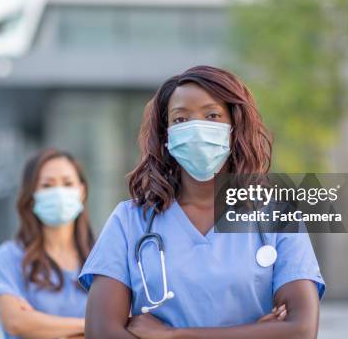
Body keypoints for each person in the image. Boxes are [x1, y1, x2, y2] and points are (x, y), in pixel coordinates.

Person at [80, 66, 325, 338]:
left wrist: (174, 335)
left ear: (235, 126)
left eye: (212, 116)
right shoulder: (129, 221)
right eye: (181, 120)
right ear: (166, 135)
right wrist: (259, 332)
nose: (197, 129)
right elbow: (102, 332)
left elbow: (300, 331)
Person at [0, 148, 95, 339]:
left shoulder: (102, 256)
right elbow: (16, 322)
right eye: (47, 185)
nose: (59, 192)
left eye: (68, 183)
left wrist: (41, 325)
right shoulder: (10, 256)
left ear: (82, 191)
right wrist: (94, 325)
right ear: (31, 194)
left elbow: (125, 322)